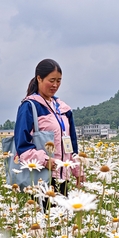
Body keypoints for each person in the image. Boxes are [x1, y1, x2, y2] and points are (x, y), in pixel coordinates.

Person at [13, 59, 83, 203]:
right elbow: (22, 145)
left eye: (59, 81)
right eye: (51, 80)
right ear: (39, 78)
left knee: (62, 216)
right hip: (40, 178)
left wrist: (77, 170)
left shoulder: (63, 109)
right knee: (43, 215)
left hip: (63, 177)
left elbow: (71, 145)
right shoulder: (30, 106)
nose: (55, 85)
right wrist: (45, 161)